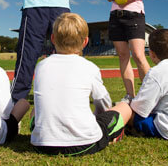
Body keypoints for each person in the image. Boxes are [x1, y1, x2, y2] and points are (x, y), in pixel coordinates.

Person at [31, 13, 131, 156]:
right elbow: (103, 101)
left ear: (53, 39)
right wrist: (98, 117)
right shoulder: (89, 67)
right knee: (125, 107)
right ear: (85, 42)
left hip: (42, 145)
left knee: (35, 110)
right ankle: (115, 133)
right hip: (84, 144)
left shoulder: (41, 66)